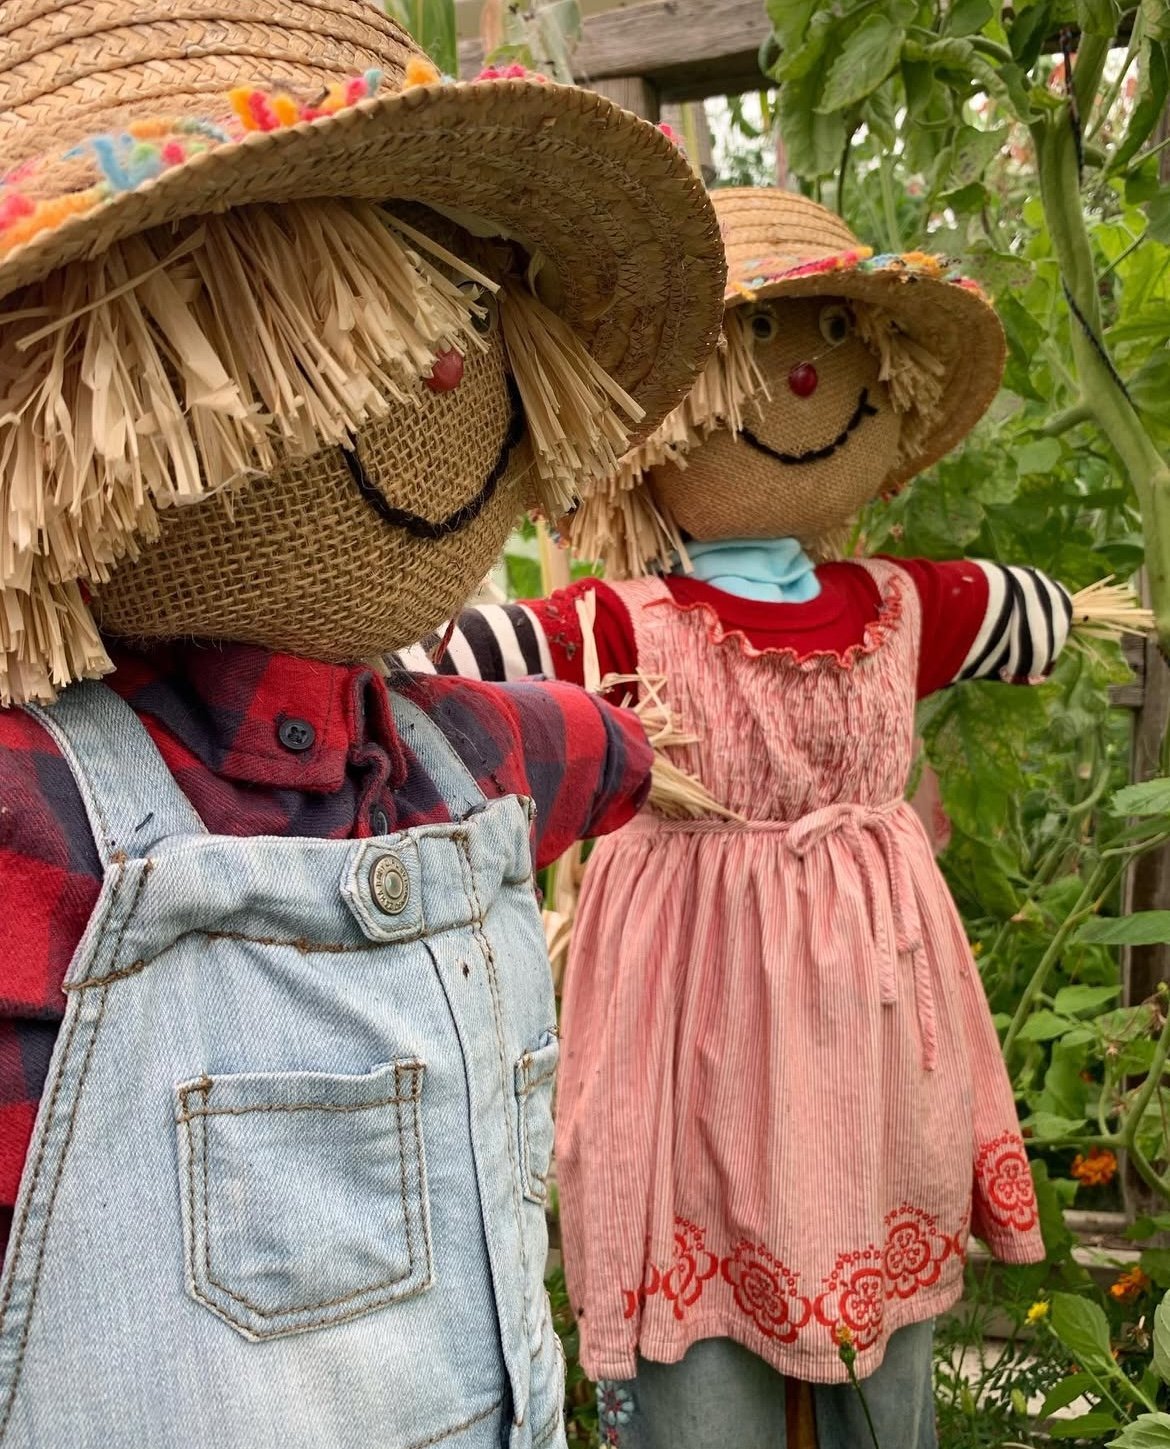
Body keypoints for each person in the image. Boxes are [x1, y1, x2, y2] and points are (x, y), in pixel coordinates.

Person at [0, 9, 726, 1446]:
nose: (447, 375)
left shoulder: (463, 754)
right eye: (344, 308)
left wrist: (654, 762)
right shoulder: (33, 805)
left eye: (469, 307)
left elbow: (572, 741)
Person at [397, 188, 1080, 1449]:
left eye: (834, 335)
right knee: (695, 1269)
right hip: (694, 1001)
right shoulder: (627, 625)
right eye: (759, 339)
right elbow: (460, 665)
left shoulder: (893, 604)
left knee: (884, 1266)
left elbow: (1019, 614)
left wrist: (1049, 613)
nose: (804, 373)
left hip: (876, 1009)